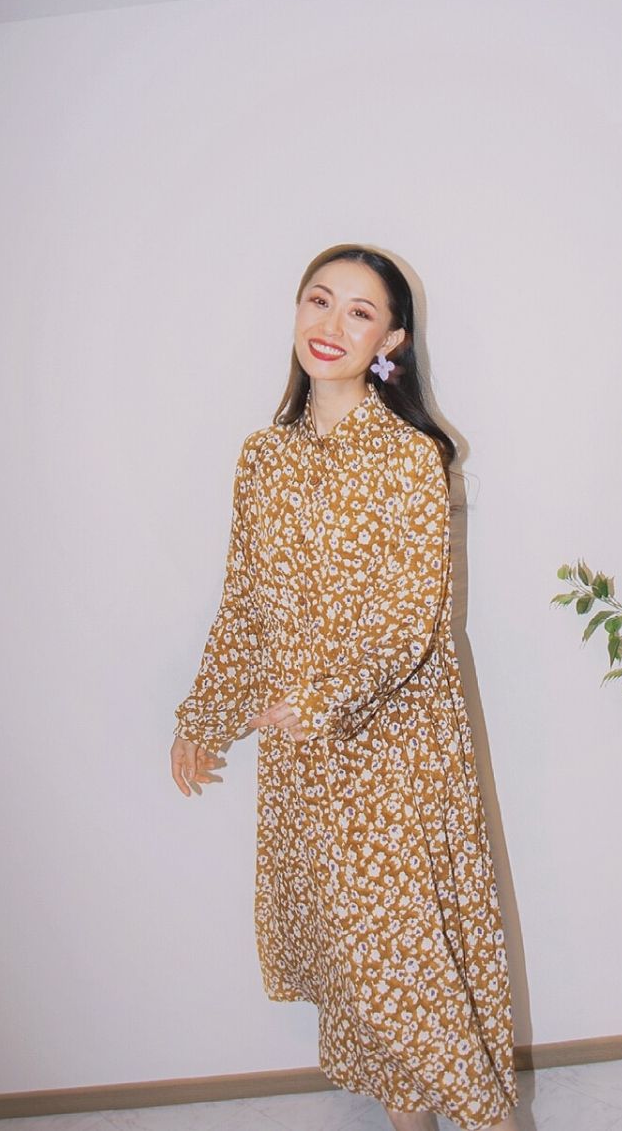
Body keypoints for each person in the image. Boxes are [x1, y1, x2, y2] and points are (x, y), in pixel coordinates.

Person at [170, 244, 519, 1131]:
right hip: (304, 763)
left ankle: (487, 1118)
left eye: (360, 312)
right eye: (319, 301)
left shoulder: (410, 457)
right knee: (359, 978)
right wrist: (203, 718)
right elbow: (246, 605)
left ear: (390, 340)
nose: (331, 325)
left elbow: (411, 621)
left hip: (396, 754)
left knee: (408, 970)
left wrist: (321, 699)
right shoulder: (263, 459)